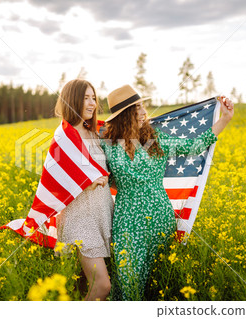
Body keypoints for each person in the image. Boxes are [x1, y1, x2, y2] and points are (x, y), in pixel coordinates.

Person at [100, 84, 234, 300]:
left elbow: (195, 145)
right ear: (125, 115)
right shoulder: (107, 145)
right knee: (127, 283)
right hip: (127, 222)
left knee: (157, 284)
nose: (144, 112)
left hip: (159, 220)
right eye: (138, 108)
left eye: (143, 106)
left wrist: (225, 118)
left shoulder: (156, 139)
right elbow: (99, 176)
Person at [53, 79, 114, 300]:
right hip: (81, 218)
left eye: (93, 98)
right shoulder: (64, 136)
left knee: (84, 287)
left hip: (100, 215)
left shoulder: (95, 133)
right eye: (85, 98)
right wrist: (88, 181)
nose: (91, 103)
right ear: (72, 101)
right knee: (102, 286)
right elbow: (58, 177)